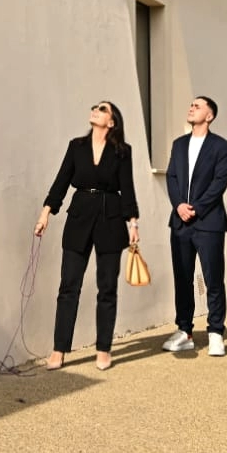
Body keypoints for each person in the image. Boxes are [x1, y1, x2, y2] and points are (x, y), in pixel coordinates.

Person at [36, 101, 140, 370]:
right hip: (79, 217)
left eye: (103, 108)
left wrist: (133, 224)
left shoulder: (122, 151)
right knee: (69, 285)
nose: (96, 109)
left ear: (112, 121)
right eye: (95, 107)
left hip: (111, 218)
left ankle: (103, 349)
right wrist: (46, 212)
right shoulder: (76, 146)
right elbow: (61, 180)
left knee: (107, 288)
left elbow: (127, 188)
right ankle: (59, 349)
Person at [161, 95, 227, 357]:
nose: (191, 107)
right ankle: (185, 331)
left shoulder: (220, 146)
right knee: (182, 278)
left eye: (197, 105)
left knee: (213, 278)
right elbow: (172, 176)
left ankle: (215, 332)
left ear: (209, 115)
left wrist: (197, 208)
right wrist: (179, 204)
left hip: (209, 222)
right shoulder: (179, 145)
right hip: (180, 222)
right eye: (190, 104)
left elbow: (220, 182)